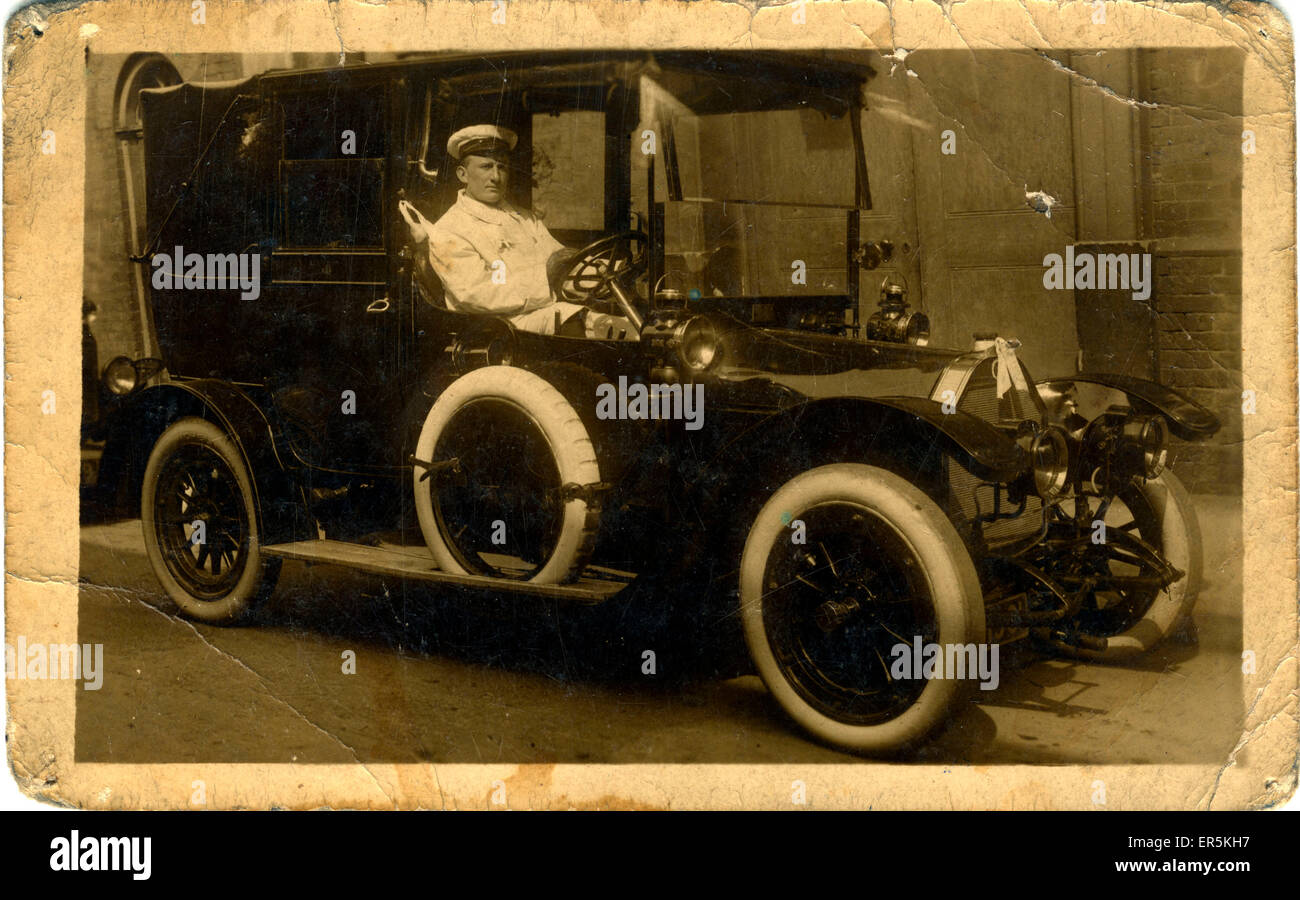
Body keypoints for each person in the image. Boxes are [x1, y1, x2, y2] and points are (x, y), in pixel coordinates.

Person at [406, 124, 635, 339]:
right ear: (463, 174)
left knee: (636, 328)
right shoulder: (450, 230)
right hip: (502, 329)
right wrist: (546, 279)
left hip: (544, 314)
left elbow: (562, 262)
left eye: (502, 167)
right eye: (486, 166)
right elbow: (476, 295)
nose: (495, 177)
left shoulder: (524, 218)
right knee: (605, 332)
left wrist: (610, 270)